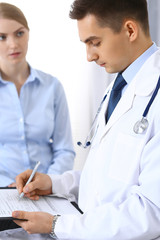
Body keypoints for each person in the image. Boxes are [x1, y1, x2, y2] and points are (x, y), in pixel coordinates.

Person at [12, 0, 160, 239]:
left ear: (130, 30)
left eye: (95, 42)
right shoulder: (118, 88)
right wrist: (54, 183)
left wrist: (56, 225)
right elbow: (106, 178)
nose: (89, 56)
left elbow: (152, 211)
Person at [0, 2, 75, 187]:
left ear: (28, 33)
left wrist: (48, 182)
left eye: (19, 33)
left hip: (45, 192)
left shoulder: (52, 86)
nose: (13, 44)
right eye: (2, 37)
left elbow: (64, 150)